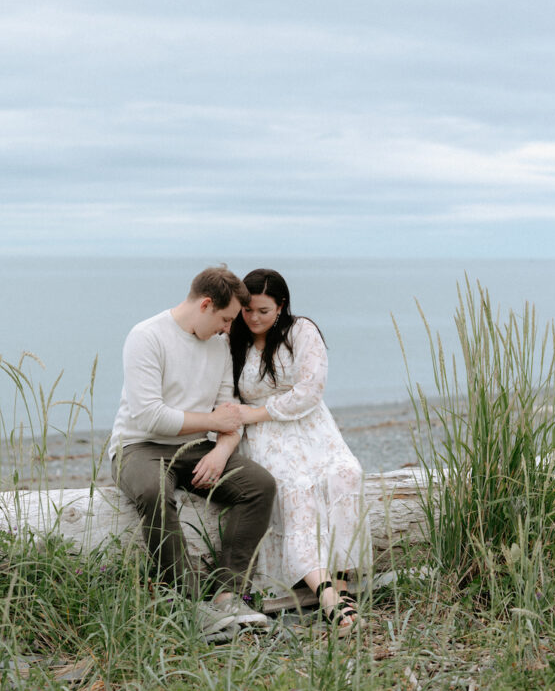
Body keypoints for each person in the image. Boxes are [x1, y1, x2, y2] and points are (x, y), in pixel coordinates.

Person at [110, 265, 277, 637]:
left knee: (259, 485)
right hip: (138, 445)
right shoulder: (147, 336)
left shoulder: (218, 346)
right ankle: (187, 601)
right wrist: (213, 422)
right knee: (154, 490)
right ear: (205, 305)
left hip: (196, 447)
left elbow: (229, 416)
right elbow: (151, 416)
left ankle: (227, 596)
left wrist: (220, 452)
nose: (228, 329)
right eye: (225, 318)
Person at [226, 268, 371, 634]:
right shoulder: (233, 339)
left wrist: (257, 410)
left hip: (310, 425)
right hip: (264, 436)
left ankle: (341, 582)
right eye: (249, 311)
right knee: (294, 488)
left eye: (264, 310)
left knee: (345, 473)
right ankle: (327, 596)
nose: (255, 318)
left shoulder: (301, 331)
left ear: (281, 306)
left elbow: (311, 390)